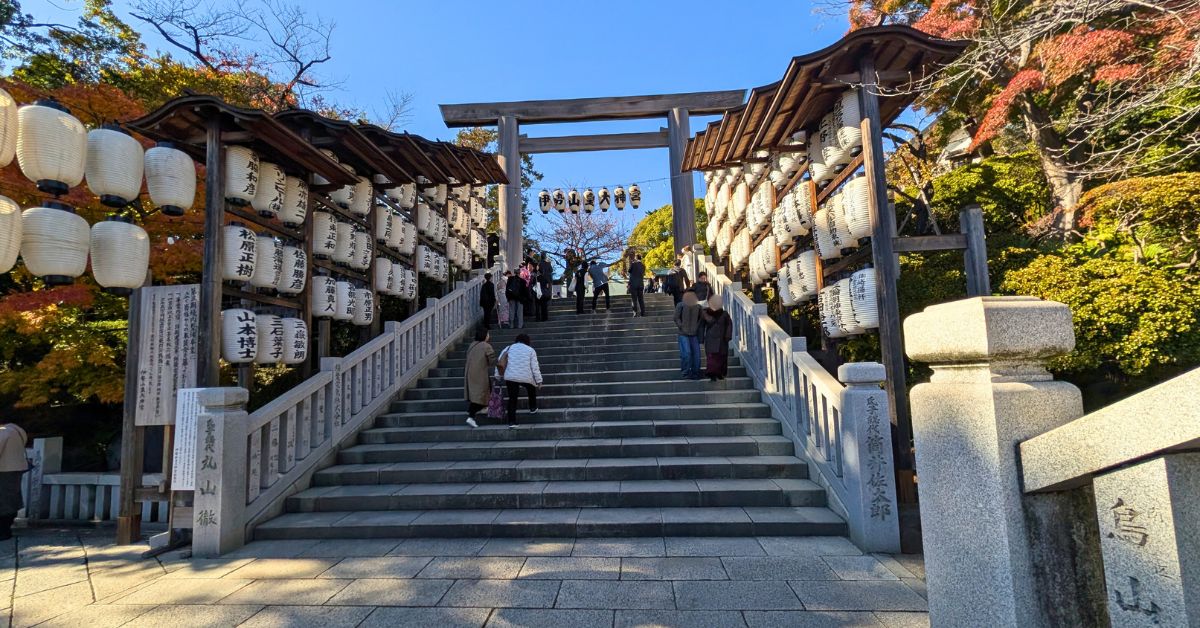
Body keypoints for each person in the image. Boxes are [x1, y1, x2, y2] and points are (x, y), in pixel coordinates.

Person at [497, 333, 542, 428]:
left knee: (512, 398)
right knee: (531, 388)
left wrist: (498, 376)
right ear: (527, 341)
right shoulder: (530, 350)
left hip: (510, 376)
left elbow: (500, 361)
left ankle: (511, 422)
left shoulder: (508, 348)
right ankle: (533, 407)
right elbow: (535, 367)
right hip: (526, 377)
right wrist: (539, 381)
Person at [463, 327, 495, 428]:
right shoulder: (486, 346)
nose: (489, 336)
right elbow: (492, 361)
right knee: (480, 394)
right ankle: (471, 416)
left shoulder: (472, 345)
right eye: (488, 334)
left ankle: (484, 406)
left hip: (471, 373)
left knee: (483, 391)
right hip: (479, 374)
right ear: (485, 335)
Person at [0, 423, 27, 540]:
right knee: (12, 497)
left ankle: (3, 532)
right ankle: (6, 529)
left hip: (4, 469)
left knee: (4, 500)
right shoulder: (17, 429)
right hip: (17, 467)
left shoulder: (3, 432)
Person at [702, 293, 734, 381]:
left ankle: (721, 373)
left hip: (722, 339)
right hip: (710, 339)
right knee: (712, 358)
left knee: (722, 357)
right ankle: (712, 374)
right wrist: (700, 338)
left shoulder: (724, 314)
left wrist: (728, 336)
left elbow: (729, 325)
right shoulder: (705, 313)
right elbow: (701, 326)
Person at [674, 289, 703, 379]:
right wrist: (681, 325)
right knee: (686, 353)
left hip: (694, 334)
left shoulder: (698, 307)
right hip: (683, 333)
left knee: (697, 355)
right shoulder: (680, 305)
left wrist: (697, 328)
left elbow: (701, 319)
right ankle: (685, 372)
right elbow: (676, 317)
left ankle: (695, 372)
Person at [536, 253, 553, 322]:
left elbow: (538, 271)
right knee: (547, 294)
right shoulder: (548, 263)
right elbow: (551, 270)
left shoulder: (539, 264)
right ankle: (549, 304)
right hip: (548, 280)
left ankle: (539, 316)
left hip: (540, 281)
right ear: (545, 257)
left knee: (540, 299)